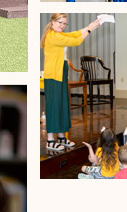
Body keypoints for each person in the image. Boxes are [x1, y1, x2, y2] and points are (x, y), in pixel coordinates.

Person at [40, 14, 102, 152]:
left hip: (60, 72)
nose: (62, 25)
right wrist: (90, 30)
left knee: (62, 105)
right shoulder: (53, 36)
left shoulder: (58, 34)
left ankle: (61, 137)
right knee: (54, 106)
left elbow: (74, 35)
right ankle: (50, 140)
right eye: (59, 22)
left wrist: (90, 26)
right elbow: (76, 41)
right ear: (52, 22)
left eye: (64, 23)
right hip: (53, 75)